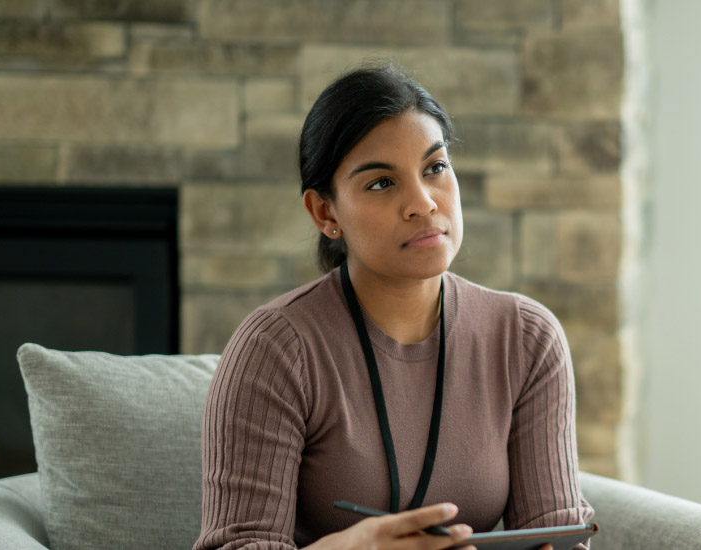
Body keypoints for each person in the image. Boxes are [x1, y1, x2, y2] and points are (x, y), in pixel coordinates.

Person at [194, 65, 593, 550]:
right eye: (381, 183)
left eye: (435, 168)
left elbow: (560, 536)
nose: (423, 203)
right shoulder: (276, 347)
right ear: (325, 212)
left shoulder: (527, 339)